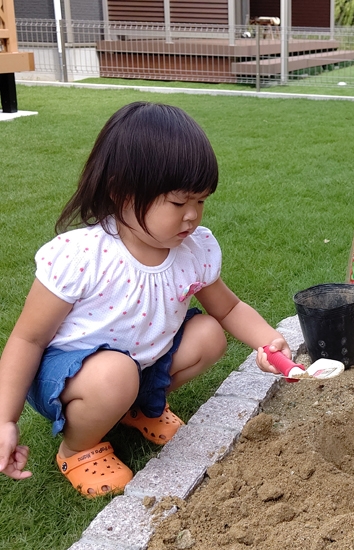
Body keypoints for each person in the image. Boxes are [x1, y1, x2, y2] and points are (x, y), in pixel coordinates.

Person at [0, 101, 290, 497]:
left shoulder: (193, 250)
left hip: (140, 364)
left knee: (208, 332)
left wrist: (269, 342)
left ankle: (136, 408)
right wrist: (5, 420)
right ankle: (78, 447)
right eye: (177, 202)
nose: (192, 216)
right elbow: (27, 339)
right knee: (114, 375)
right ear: (121, 191)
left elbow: (229, 308)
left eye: (201, 201)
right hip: (73, 376)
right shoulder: (83, 255)